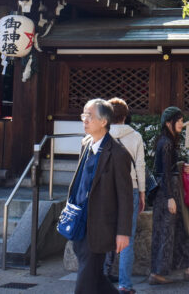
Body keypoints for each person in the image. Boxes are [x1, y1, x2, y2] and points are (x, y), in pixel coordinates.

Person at [68, 98, 133, 294]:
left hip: (101, 225)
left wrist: (123, 232)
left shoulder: (118, 154)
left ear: (104, 122)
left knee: (85, 282)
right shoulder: (86, 144)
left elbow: (125, 196)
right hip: (79, 222)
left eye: (89, 116)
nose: (84, 120)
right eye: (83, 115)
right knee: (95, 278)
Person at [148, 106, 189, 285]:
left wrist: (181, 165)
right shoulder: (166, 143)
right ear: (168, 123)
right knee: (166, 231)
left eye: (182, 120)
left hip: (170, 191)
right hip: (168, 193)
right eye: (178, 120)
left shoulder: (167, 141)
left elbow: (168, 168)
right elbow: (165, 172)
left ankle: (188, 268)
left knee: (180, 230)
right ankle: (158, 272)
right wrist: (169, 198)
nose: (182, 123)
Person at [104, 98, 146, 294]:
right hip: (131, 189)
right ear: (125, 116)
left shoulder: (102, 135)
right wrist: (143, 192)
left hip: (108, 190)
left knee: (105, 234)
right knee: (126, 237)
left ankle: (103, 276)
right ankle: (124, 284)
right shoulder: (135, 136)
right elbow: (140, 166)